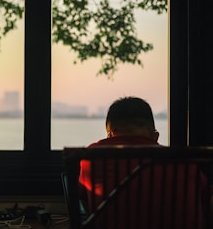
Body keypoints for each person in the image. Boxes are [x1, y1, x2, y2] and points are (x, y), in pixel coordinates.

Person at [78, 96, 212, 229]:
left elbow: (86, 203)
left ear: (110, 134)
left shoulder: (93, 156)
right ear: (155, 137)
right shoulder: (184, 162)